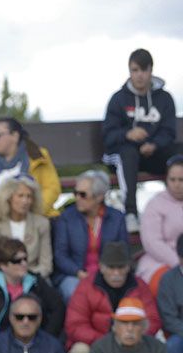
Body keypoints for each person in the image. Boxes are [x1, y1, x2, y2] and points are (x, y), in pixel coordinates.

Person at [66, 242, 160, 353]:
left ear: (129, 267)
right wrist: (105, 342)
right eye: (111, 267)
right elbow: (74, 325)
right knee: (79, 352)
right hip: (97, 343)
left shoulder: (140, 286)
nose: (116, 273)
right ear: (101, 267)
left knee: (156, 348)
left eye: (121, 267)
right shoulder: (86, 286)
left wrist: (133, 337)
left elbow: (152, 320)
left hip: (133, 343)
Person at [102, 49, 180, 227]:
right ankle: (130, 214)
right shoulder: (118, 99)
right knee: (127, 153)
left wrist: (154, 144)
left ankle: (177, 210)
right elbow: (108, 136)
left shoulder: (165, 99)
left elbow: (169, 132)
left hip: (154, 153)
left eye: (143, 70)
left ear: (151, 70)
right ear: (129, 71)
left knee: (179, 155)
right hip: (124, 156)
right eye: (134, 70)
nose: (139, 75)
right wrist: (127, 134)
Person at [0, 238, 64, 343]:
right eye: (17, 261)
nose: (24, 264)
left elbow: (58, 307)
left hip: (35, 342)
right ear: (2, 265)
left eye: (25, 259)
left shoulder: (36, 282)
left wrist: (46, 336)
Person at [53, 170, 129, 301]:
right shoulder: (67, 217)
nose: (77, 198)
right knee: (74, 292)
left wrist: (107, 272)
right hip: (75, 274)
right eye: (75, 193)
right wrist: (79, 273)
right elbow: (60, 255)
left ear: (99, 196)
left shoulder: (117, 218)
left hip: (109, 273)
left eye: (82, 194)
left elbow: (122, 251)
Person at [0, 117, 61, 226]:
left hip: (36, 220)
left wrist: (34, 211)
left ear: (15, 136)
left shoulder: (38, 156)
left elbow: (52, 188)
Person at [0, 175, 53, 278]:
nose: (25, 201)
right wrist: (10, 278)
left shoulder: (42, 224)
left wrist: (26, 277)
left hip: (35, 279)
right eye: (20, 196)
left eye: (29, 196)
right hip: (2, 280)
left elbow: (46, 265)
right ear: (8, 198)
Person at [135, 156, 183, 292]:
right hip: (161, 261)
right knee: (168, 285)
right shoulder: (155, 204)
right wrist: (178, 263)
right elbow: (152, 243)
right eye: (172, 180)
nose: (177, 184)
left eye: (181, 180)